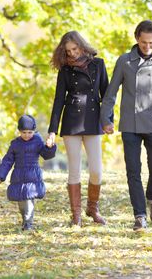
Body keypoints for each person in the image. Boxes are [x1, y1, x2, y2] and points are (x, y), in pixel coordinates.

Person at [100, 20, 152, 231]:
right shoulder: (124, 62)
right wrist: (106, 119)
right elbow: (111, 93)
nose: (147, 47)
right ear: (137, 39)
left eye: (151, 43)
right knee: (133, 171)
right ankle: (140, 215)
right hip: (130, 124)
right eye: (144, 42)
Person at [47, 31, 109, 227]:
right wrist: (52, 131)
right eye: (68, 51)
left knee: (97, 171)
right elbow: (58, 100)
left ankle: (93, 208)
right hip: (71, 122)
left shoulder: (98, 64)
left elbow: (106, 95)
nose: (72, 53)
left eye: (75, 49)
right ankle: (76, 215)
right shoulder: (65, 70)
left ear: (82, 46)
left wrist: (108, 120)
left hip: (93, 120)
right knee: (74, 170)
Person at [0, 114, 57, 231]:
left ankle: (28, 223)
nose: (27, 135)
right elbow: (8, 160)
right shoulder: (15, 144)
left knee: (29, 200)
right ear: (19, 131)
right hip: (18, 176)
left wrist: (50, 147)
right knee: (22, 203)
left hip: (32, 176)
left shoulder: (37, 141)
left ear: (33, 131)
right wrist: (1, 175)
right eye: (24, 132)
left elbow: (46, 155)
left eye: (30, 132)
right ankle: (25, 220)